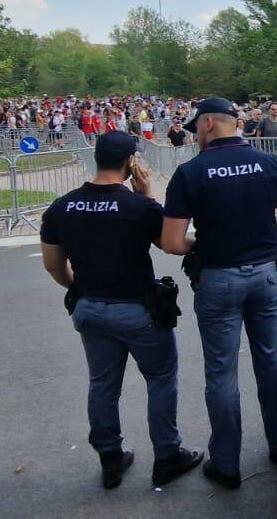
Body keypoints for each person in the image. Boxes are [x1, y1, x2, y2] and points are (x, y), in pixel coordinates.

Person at [39, 131, 203, 490]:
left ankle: (110, 458)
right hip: (138, 310)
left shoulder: (62, 207)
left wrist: (80, 289)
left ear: (96, 158)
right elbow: (171, 245)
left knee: (102, 384)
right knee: (160, 380)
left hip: (90, 309)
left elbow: (53, 265)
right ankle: (167, 455)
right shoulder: (139, 207)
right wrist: (147, 198)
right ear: (131, 162)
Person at [159, 97, 277, 490]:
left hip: (218, 279)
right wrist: (262, 244)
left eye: (196, 128)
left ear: (208, 124)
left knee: (221, 372)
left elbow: (172, 242)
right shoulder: (268, 163)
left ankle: (226, 464)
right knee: (271, 360)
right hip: (264, 275)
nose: (195, 135)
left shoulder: (191, 172)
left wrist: (205, 246)